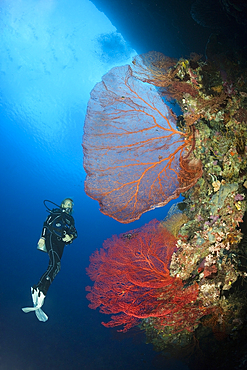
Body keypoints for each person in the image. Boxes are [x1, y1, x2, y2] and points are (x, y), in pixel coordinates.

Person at [22, 198, 78, 321]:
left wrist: (70, 237)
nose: (68, 206)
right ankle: (43, 290)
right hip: (51, 237)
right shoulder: (55, 213)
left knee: (55, 266)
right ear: (62, 204)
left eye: (70, 205)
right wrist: (42, 238)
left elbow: (74, 232)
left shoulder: (71, 219)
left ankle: (38, 287)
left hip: (61, 244)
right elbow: (46, 224)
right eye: (66, 203)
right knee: (55, 265)